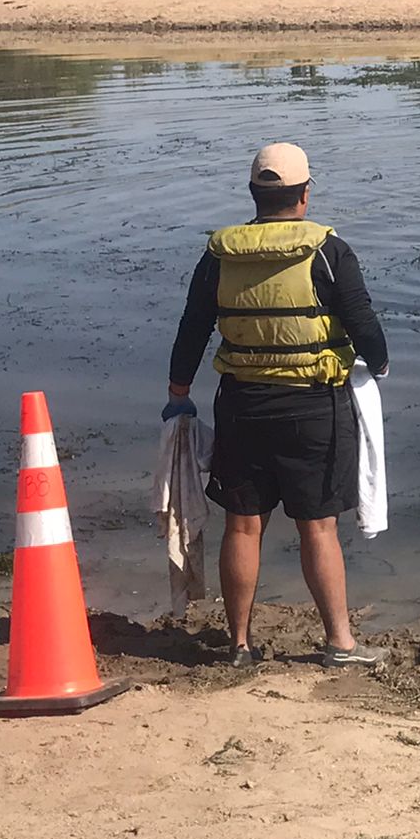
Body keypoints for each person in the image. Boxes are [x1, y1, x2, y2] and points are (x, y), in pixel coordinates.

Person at [165, 142, 390, 671]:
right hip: (314, 409)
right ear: (305, 195)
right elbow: (362, 322)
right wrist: (378, 366)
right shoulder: (329, 252)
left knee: (243, 524)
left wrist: (178, 392)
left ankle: (239, 645)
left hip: (242, 404)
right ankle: (340, 643)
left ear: (253, 194)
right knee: (318, 526)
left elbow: (193, 326)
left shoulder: (219, 254)